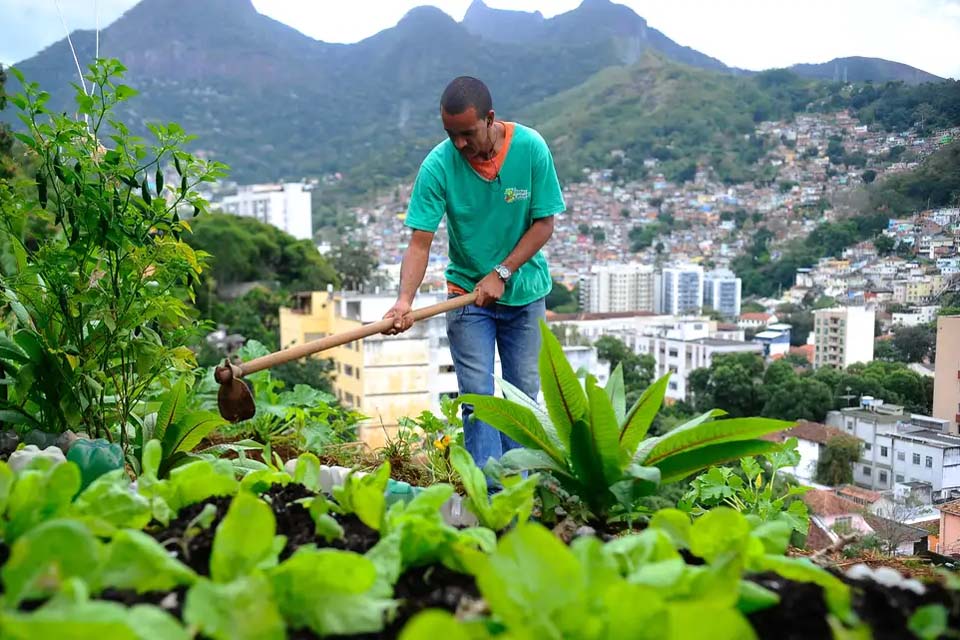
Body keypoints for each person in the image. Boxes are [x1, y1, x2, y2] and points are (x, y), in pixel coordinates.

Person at [383, 75, 565, 471]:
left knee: (520, 399)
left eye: (467, 133)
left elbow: (544, 224)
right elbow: (420, 242)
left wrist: (502, 271)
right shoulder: (438, 165)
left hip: (525, 293)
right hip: (467, 295)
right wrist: (404, 301)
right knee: (478, 398)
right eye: (451, 135)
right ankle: (492, 495)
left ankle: (519, 486)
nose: (459, 144)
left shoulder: (531, 149)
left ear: (490, 119)